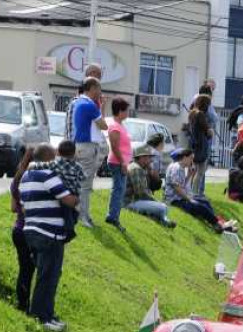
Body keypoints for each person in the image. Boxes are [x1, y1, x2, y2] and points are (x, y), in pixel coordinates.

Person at [20, 144, 79, 332]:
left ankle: (48, 314)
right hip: (49, 233)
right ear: (48, 158)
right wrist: (75, 197)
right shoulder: (48, 175)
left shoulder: (25, 177)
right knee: (48, 277)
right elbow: (68, 199)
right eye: (54, 157)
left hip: (30, 231)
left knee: (46, 274)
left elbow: (22, 207)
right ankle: (41, 317)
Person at [165, 148, 236, 232]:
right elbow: (176, 187)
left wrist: (189, 175)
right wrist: (189, 199)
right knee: (200, 206)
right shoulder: (176, 168)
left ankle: (218, 222)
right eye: (191, 158)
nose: (192, 161)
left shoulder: (181, 168)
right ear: (184, 157)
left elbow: (182, 185)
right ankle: (218, 225)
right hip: (175, 200)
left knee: (205, 202)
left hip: (179, 198)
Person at [72, 77, 108, 227]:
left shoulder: (79, 102)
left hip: (79, 146)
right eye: (99, 88)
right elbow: (104, 125)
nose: (100, 92)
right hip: (87, 147)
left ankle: (80, 213)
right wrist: (101, 107)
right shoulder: (90, 105)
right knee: (85, 184)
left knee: (79, 182)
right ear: (92, 88)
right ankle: (83, 216)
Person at [10, 149, 36, 313]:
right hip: (31, 232)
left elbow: (13, 208)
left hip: (18, 229)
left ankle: (22, 303)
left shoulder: (17, 180)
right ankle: (25, 305)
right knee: (30, 271)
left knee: (24, 269)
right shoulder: (35, 180)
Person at [126, 145, 176, 227]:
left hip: (134, 200)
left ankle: (164, 220)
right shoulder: (136, 169)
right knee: (163, 207)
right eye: (149, 157)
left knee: (162, 207)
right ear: (142, 157)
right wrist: (155, 201)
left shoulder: (138, 167)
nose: (151, 160)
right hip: (130, 202)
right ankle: (164, 220)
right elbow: (140, 192)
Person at [105, 98, 132, 232]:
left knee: (119, 190)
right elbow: (115, 147)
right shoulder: (115, 126)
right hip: (117, 162)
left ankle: (113, 215)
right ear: (120, 111)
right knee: (119, 190)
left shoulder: (120, 125)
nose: (128, 113)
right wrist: (122, 162)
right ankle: (113, 217)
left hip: (121, 162)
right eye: (126, 110)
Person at [63, 63, 102, 141]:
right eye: (98, 75)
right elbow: (102, 125)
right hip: (80, 143)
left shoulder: (90, 100)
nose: (100, 79)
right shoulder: (86, 102)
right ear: (91, 74)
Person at [188, 93, 213, 196]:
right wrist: (210, 131)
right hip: (201, 145)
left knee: (194, 170)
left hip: (195, 144)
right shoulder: (200, 115)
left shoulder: (192, 114)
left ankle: (190, 190)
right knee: (200, 171)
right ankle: (194, 192)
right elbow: (208, 130)